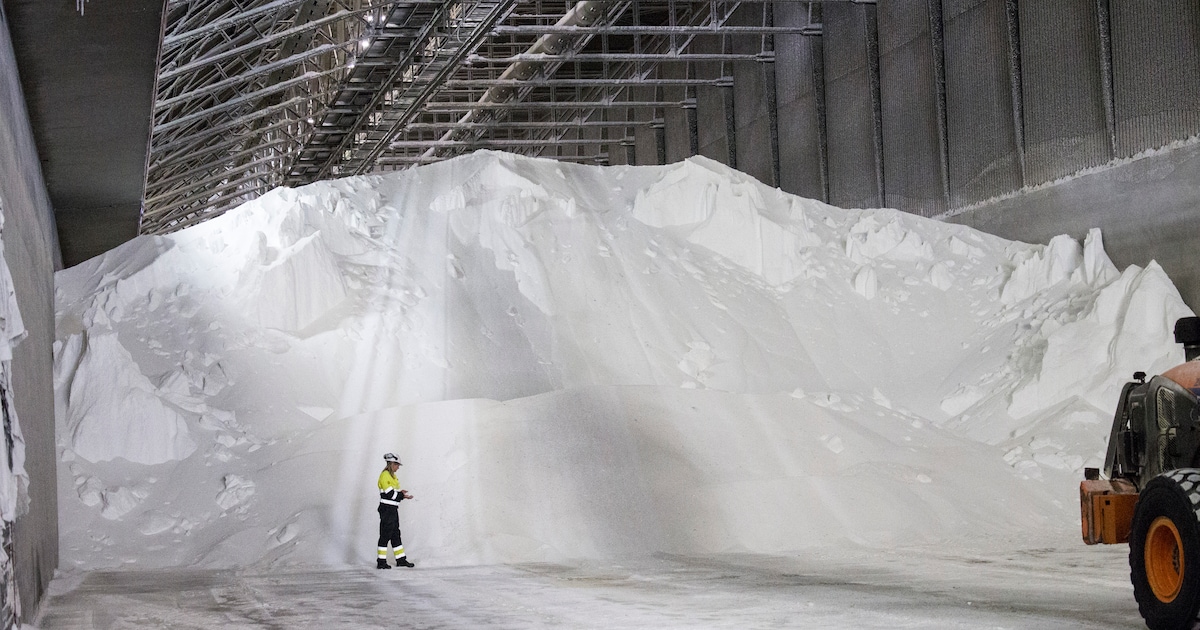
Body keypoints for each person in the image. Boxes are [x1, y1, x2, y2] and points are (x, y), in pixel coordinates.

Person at [376, 452, 414, 569]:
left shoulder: (391, 476)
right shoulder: (385, 475)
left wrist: (401, 494)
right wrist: (401, 496)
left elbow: (393, 494)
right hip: (387, 510)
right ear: (392, 464)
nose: (398, 467)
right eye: (397, 465)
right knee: (385, 535)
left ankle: (401, 560)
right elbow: (390, 494)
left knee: (395, 534)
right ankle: (381, 562)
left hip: (392, 509)